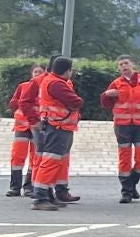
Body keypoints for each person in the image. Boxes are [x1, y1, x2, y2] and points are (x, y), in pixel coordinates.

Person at [102, 56, 140, 204]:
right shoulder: (116, 83)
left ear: (133, 65)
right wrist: (107, 95)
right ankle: (126, 192)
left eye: (126, 63)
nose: (124, 66)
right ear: (119, 69)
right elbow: (105, 103)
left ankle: (131, 184)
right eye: (121, 64)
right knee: (124, 158)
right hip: (122, 126)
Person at [28, 57, 85, 212]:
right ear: (67, 70)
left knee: (55, 162)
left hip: (59, 126)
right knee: (51, 162)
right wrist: (78, 100)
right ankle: (40, 198)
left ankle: (47, 196)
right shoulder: (57, 83)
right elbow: (76, 102)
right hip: (58, 127)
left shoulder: (51, 81)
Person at [6, 62, 45, 198]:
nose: (38, 74)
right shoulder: (23, 86)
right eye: (36, 72)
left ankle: (29, 186)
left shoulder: (44, 87)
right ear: (31, 74)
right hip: (22, 126)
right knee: (17, 156)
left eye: (40, 72)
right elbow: (13, 103)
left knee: (35, 157)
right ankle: (15, 187)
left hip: (37, 126)